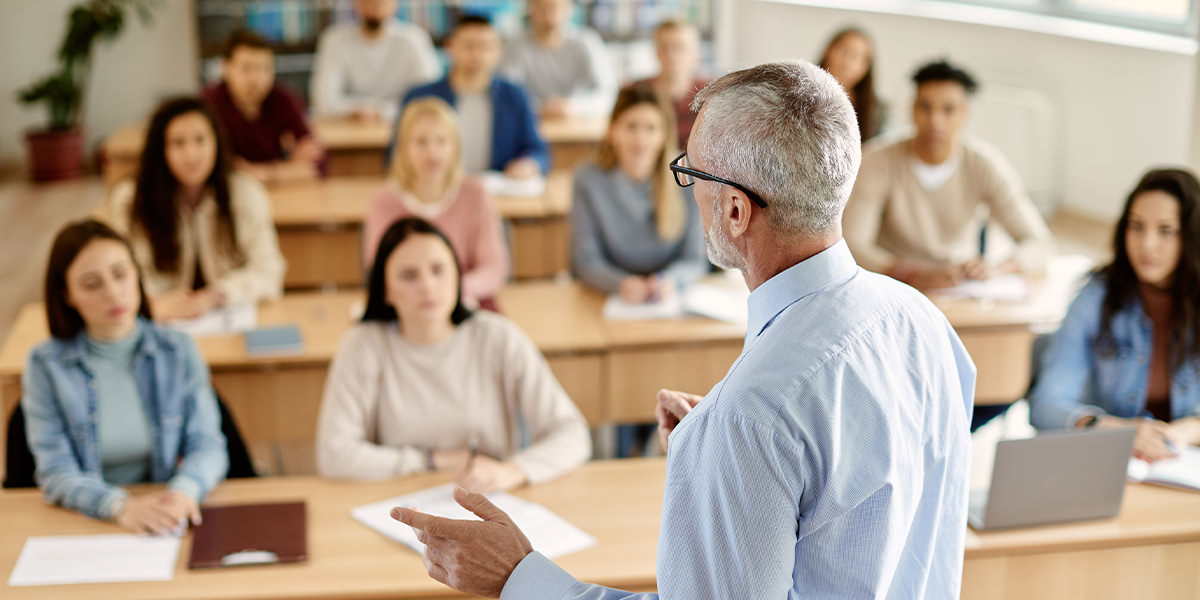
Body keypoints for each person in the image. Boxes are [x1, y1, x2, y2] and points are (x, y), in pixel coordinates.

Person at [392, 59, 975, 599]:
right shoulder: (921, 319)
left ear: (735, 212)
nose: (686, 188)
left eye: (690, 172)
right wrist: (736, 463)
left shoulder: (753, 414)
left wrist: (519, 576)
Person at [316, 217, 590, 491]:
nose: (428, 286)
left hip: (488, 499)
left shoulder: (497, 337)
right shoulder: (362, 344)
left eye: (438, 270)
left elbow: (572, 433)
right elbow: (334, 455)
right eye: (409, 276)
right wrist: (431, 460)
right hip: (398, 499)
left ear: (457, 275)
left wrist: (512, 471)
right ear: (385, 290)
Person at [22, 219, 227, 534]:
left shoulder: (177, 349)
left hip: (165, 512)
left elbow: (208, 444)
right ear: (67, 295)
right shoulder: (45, 365)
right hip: (88, 517)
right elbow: (55, 472)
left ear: (137, 275)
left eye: (120, 274)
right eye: (92, 284)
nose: (113, 293)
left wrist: (184, 491)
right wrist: (120, 507)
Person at [1030, 168, 1200, 461]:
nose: (1147, 244)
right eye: (1137, 226)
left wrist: (1184, 432)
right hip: (1106, 465)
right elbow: (1047, 405)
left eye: (1165, 230)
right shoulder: (1095, 297)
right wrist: (1113, 428)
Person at [843, 59, 1054, 291]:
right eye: (925, 107)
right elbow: (852, 243)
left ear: (965, 114)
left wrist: (996, 269)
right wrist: (909, 272)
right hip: (892, 284)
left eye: (948, 109)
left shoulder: (984, 164)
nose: (935, 120)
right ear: (912, 110)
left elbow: (1039, 243)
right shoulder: (877, 160)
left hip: (959, 285)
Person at [102, 97, 286, 322]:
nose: (191, 155)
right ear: (161, 149)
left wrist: (216, 295)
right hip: (156, 319)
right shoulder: (129, 200)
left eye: (200, 140)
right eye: (178, 143)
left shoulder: (245, 192)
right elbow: (118, 272)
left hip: (226, 317)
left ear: (216, 142)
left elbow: (269, 270)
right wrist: (152, 304)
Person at [364, 98, 508, 308]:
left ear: (455, 147)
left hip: (466, 302)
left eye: (441, 141)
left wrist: (448, 291)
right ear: (404, 148)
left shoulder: (476, 195)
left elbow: (494, 270)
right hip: (407, 308)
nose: (432, 152)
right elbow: (379, 272)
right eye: (421, 142)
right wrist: (423, 295)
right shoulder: (384, 202)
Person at [571, 86, 706, 304]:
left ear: (664, 135)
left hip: (668, 298)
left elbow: (694, 259)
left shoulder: (687, 177)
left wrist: (671, 281)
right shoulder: (588, 180)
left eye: (651, 128)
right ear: (612, 131)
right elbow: (586, 261)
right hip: (609, 298)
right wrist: (619, 284)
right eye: (631, 127)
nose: (640, 139)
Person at [395, 15, 548, 177]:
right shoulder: (420, 97)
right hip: (435, 189)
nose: (477, 54)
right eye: (469, 46)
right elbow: (396, 154)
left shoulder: (515, 96)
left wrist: (529, 164)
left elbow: (536, 150)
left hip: (497, 189)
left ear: (498, 52)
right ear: (450, 47)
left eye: (486, 47)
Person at [201, 29, 325, 184]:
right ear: (225, 68)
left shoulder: (283, 99)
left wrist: (261, 173)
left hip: (280, 196)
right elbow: (215, 170)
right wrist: (288, 168)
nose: (256, 79)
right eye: (246, 68)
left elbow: (319, 166)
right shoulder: (208, 104)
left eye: (264, 68)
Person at [310, 0, 440, 121]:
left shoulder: (414, 40)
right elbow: (323, 100)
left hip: (403, 127)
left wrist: (381, 112)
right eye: (367, 2)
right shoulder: (334, 40)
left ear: (394, 4)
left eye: (380, 3)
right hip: (347, 131)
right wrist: (359, 111)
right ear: (355, 4)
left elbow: (428, 98)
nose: (374, 10)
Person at [500, 0, 616, 118]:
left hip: (578, 124)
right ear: (530, 9)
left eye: (555, 7)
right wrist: (540, 107)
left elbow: (608, 94)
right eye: (541, 8)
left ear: (570, 8)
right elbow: (505, 93)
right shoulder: (515, 46)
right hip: (530, 121)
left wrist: (573, 106)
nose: (549, 16)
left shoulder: (587, 42)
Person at [629, 19, 710, 149]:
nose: (671, 55)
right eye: (664, 47)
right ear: (656, 51)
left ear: (696, 53)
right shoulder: (635, 93)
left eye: (679, 47)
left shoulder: (711, 95)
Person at [818, 26, 886, 142]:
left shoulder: (876, 110)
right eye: (843, 51)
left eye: (858, 57)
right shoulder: (798, 91)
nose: (848, 63)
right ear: (827, 51)